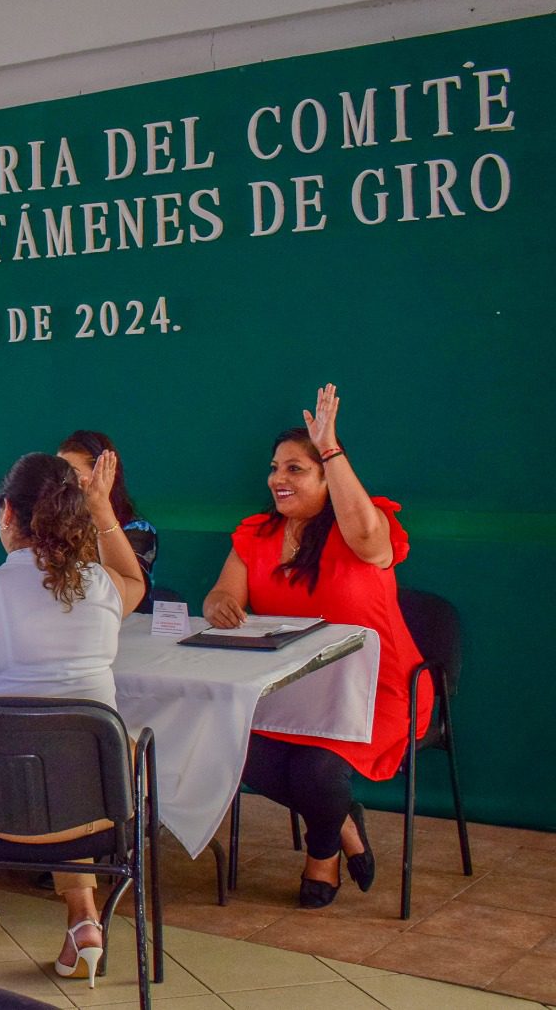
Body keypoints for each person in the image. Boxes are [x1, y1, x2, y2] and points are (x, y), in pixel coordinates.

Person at [0, 449, 145, 984]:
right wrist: (104, 513)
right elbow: (133, 578)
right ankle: (83, 919)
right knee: (70, 763)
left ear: (6, 515)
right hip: (93, 819)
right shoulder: (104, 591)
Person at [202, 383, 420, 909]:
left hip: (376, 686)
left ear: (327, 474)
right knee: (232, 749)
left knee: (318, 768)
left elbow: (370, 538)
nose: (278, 478)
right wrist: (218, 605)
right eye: (275, 467)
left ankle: (322, 854)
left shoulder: (364, 528)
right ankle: (343, 820)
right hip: (287, 684)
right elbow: (223, 593)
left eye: (296, 468)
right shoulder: (255, 534)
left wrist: (331, 446)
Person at [0, 391, 157, 608]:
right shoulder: (47, 518)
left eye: (72, 472)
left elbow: (126, 590)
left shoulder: (138, 530)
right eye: (59, 470)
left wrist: (100, 511)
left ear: (105, 475)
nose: (64, 480)